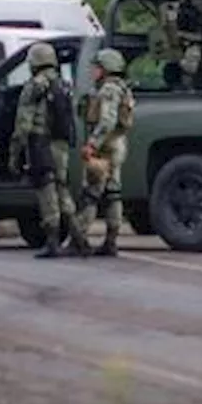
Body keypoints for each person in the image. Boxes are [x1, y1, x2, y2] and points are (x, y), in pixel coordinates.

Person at [10, 43, 90, 259]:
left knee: (46, 192)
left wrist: (15, 153)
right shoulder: (63, 83)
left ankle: (53, 240)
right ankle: (79, 238)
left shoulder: (34, 86)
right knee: (62, 189)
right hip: (61, 145)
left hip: (40, 143)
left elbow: (23, 124)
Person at [75, 48, 135, 257]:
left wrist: (92, 143)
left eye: (97, 67)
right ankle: (111, 240)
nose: (93, 71)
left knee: (91, 193)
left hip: (105, 147)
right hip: (117, 144)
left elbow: (107, 121)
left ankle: (78, 238)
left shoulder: (108, 90)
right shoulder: (122, 88)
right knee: (112, 193)